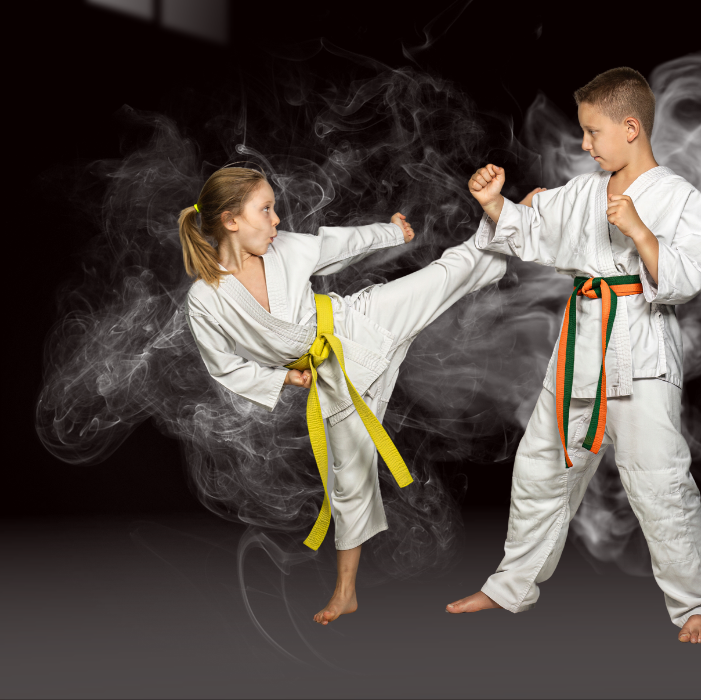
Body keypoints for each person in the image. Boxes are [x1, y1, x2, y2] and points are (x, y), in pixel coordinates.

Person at [446, 68, 701, 644]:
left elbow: (687, 278)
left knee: (658, 480)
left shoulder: (677, 195)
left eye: (592, 132)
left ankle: (697, 603)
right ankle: (510, 587)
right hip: (580, 342)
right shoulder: (581, 191)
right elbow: (530, 233)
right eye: (581, 132)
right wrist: (495, 203)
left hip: (642, 346)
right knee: (540, 467)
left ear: (630, 128)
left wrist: (642, 234)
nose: (583, 143)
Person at [178, 166, 507, 625]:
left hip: (357, 322)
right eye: (266, 210)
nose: (277, 220)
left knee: (440, 278)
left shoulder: (286, 249)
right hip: (331, 378)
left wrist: (390, 231)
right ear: (231, 220)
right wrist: (282, 380)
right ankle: (346, 591)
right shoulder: (206, 299)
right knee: (348, 480)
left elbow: (340, 244)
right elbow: (224, 365)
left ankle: (504, 226)